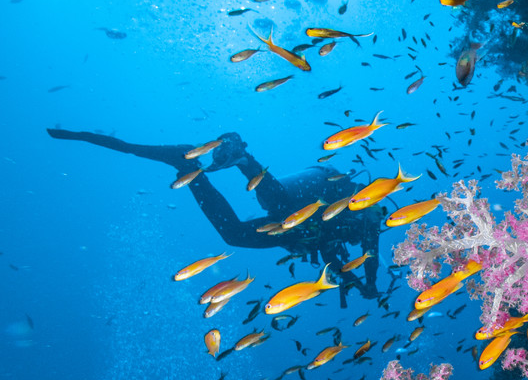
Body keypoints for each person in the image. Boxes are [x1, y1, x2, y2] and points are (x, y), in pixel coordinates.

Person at [48, 128, 380, 303]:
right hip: (307, 201)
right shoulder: (367, 214)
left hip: (298, 224)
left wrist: (356, 282)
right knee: (282, 206)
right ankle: (243, 158)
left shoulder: (346, 229)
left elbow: (332, 256)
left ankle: (187, 167)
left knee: (234, 234)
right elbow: (371, 255)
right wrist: (369, 283)